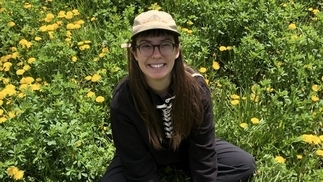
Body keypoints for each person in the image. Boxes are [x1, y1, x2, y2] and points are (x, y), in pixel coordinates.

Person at [101, 10, 256, 182]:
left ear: (177, 50)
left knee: (243, 163)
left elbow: (202, 150)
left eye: (165, 44)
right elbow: (135, 163)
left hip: (186, 152)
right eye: (146, 45)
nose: (157, 54)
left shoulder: (196, 89)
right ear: (134, 53)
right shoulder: (123, 99)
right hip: (143, 153)